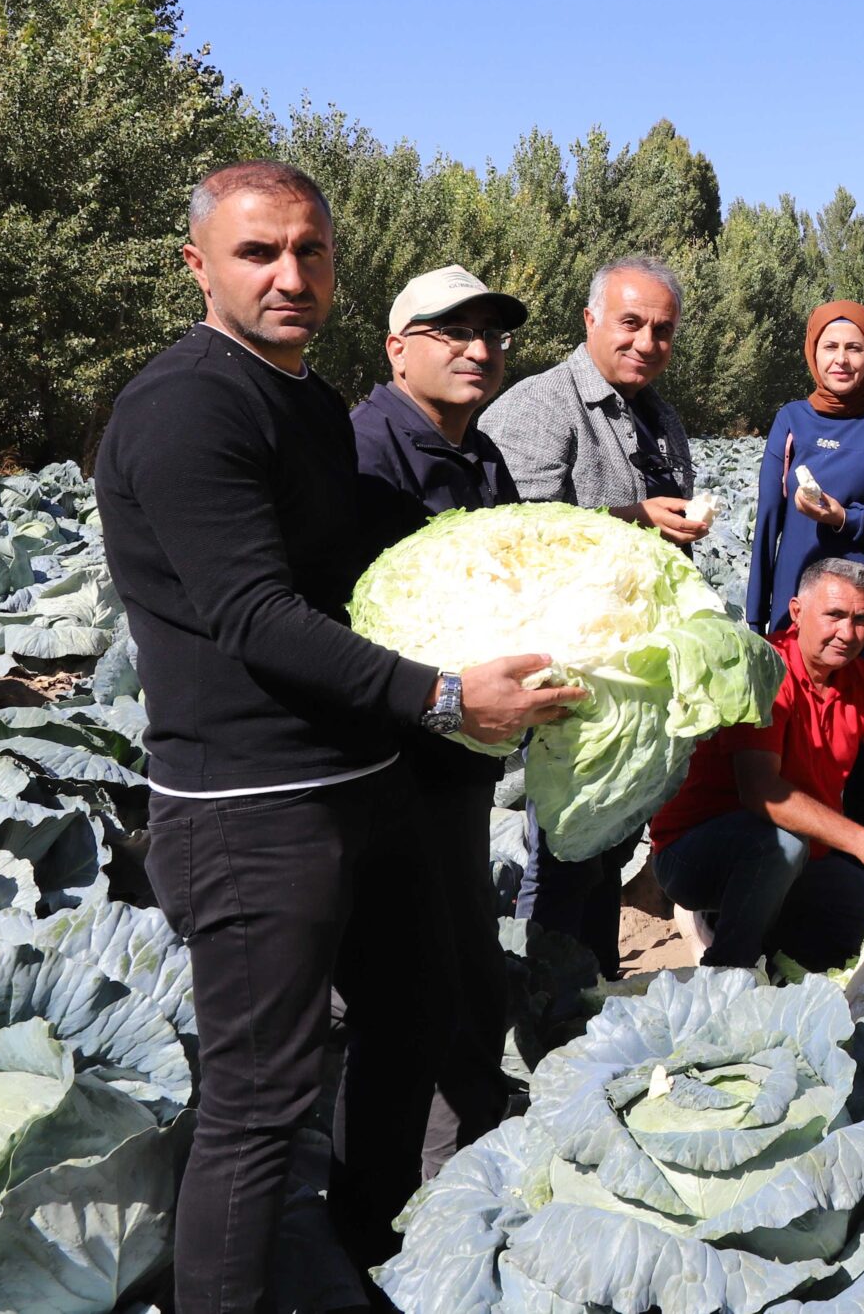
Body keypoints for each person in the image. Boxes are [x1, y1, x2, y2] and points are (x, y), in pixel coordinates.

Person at [98, 163, 580, 1313]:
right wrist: (447, 697)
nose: (289, 275)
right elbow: (254, 615)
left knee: (412, 1020)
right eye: (258, 252)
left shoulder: (305, 399)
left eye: (308, 251)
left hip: (363, 782)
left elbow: (356, 576)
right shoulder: (187, 407)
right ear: (198, 265)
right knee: (260, 1104)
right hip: (251, 806)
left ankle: (364, 1258)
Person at [349, 265, 531, 1178]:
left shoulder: (481, 455)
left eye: (491, 333)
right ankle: (403, 1197)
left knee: (468, 976)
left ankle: (460, 1168)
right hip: (385, 767)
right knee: (414, 991)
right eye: (451, 331)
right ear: (398, 349)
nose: (477, 348)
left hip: (459, 763)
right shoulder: (365, 452)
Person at [481, 255, 710, 975]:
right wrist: (633, 518)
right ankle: (543, 999)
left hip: (631, 674)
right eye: (631, 323)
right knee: (564, 850)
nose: (647, 342)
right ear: (590, 321)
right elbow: (512, 532)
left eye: (662, 330)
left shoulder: (660, 417)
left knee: (609, 847)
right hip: (565, 672)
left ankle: (595, 983)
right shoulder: (541, 406)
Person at [648, 559, 864, 969]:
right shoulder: (765, 670)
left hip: (798, 856)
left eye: (861, 620)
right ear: (796, 612)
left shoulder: (858, 678)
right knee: (781, 845)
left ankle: (747, 925)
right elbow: (761, 792)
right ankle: (726, 967)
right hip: (693, 853)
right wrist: (862, 840)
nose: (848, 633)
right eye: (835, 615)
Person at [747, 300, 864, 721]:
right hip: (802, 593)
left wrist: (844, 518)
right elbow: (768, 519)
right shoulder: (791, 420)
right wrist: (756, 617)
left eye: (853, 348)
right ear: (813, 352)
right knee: (799, 721)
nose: (841, 359)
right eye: (830, 347)